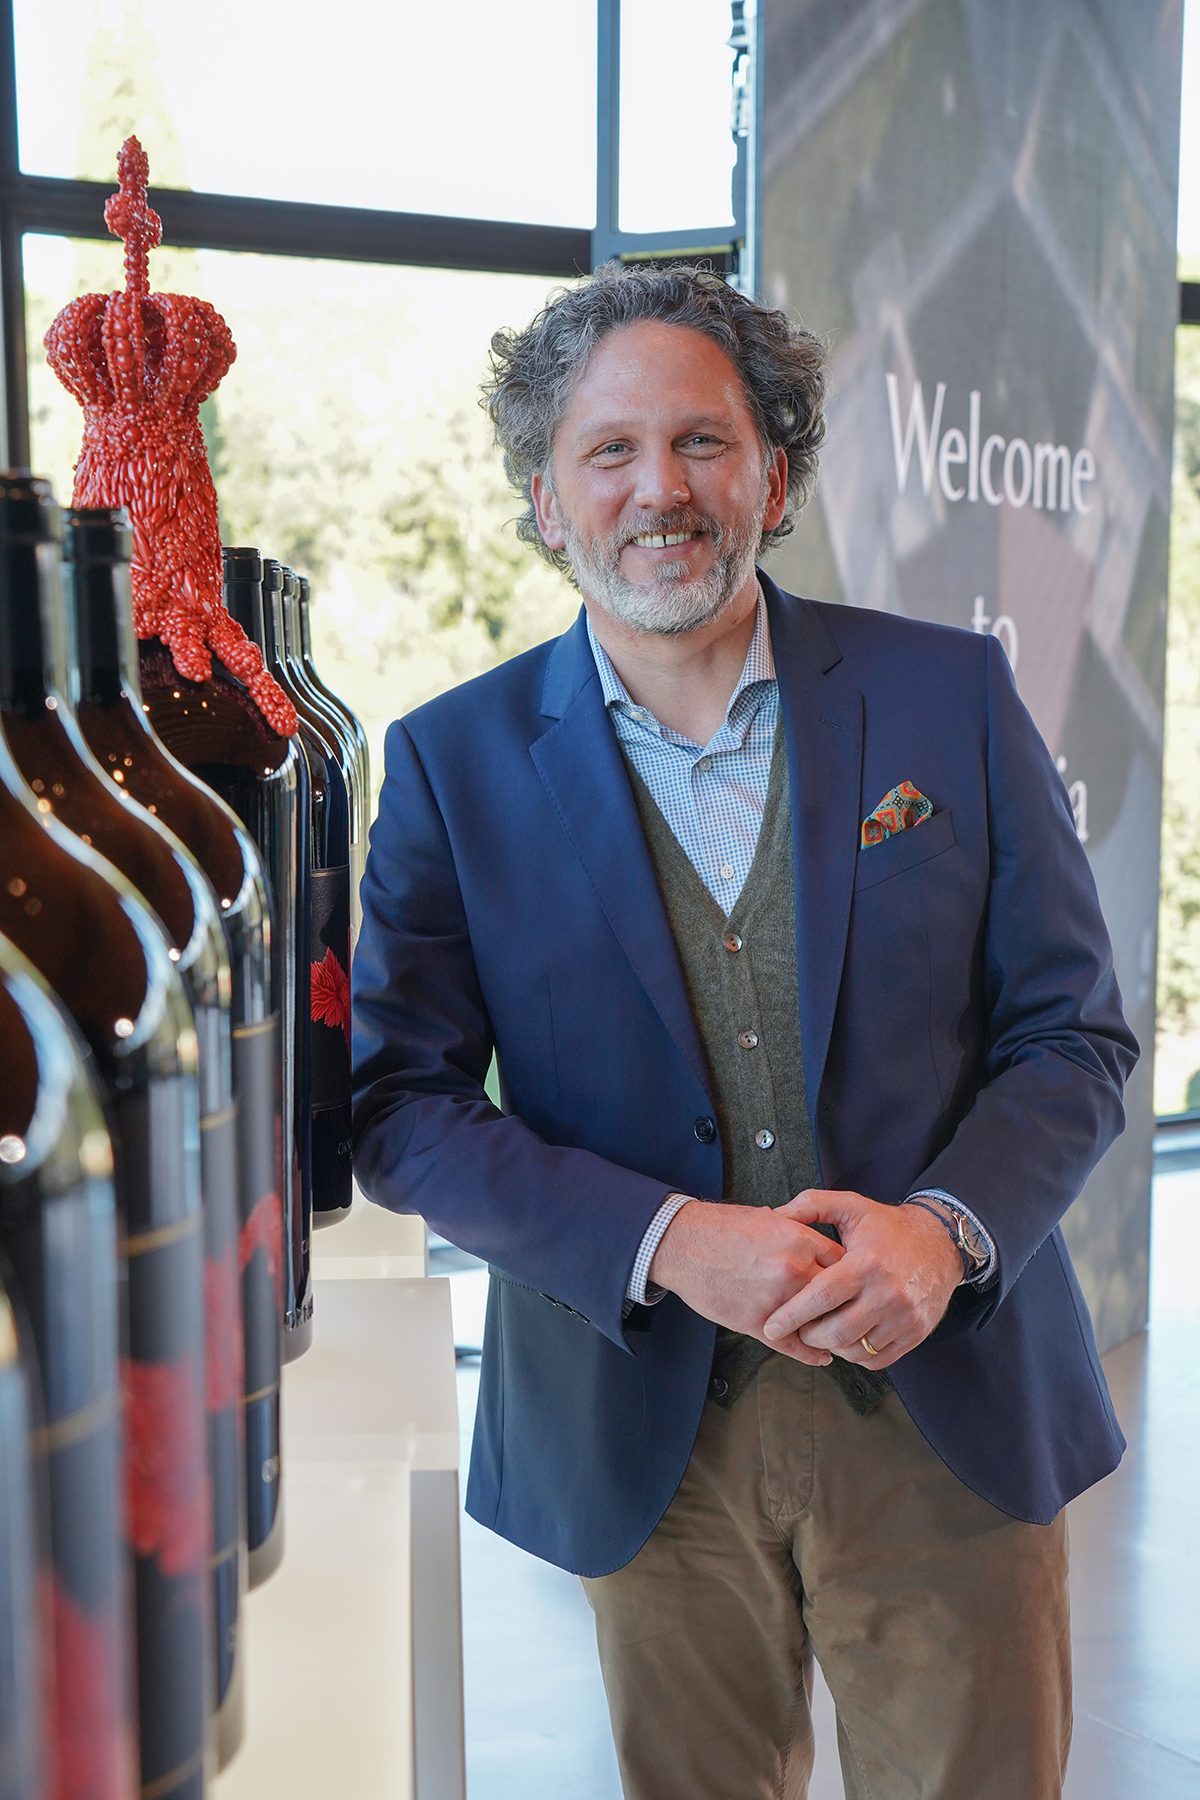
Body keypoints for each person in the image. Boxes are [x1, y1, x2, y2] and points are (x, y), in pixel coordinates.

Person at [351, 262, 1137, 1800]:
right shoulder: (453, 765)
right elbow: (400, 1103)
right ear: (543, 496)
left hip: (947, 1419)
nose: (664, 490)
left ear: (772, 475)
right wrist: (665, 1238)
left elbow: (1075, 1035)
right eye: (612, 451)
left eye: (706, 443)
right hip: (647, 1448)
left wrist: (946, 1232)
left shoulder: (949, 699)